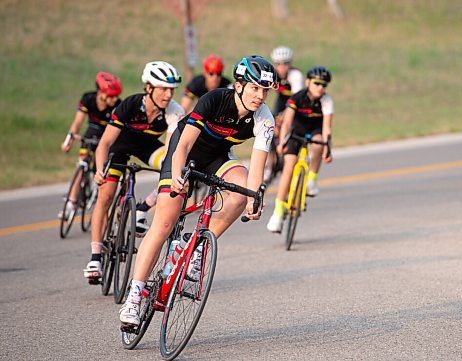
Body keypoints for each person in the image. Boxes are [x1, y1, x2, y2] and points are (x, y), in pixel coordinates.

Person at [119, 55, 278, 326]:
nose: (260, 96)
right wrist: (179, 175)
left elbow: (257, 167)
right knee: (165, 222)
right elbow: (182, 145)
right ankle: (135, 295)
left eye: (265, 90)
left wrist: (254, 198)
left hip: (216, 156)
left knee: (241, 193)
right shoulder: (214, 99)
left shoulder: (264, 119)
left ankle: (196, 248)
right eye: (254, 88)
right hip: (185, 151)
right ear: (239, 86)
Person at [83, 61, 185, 282]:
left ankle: (142, 207)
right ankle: (96, 256)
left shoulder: (174, 111)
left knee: (174, 170)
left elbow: (171, 152)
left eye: (171, 90)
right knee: (106, 195)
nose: (168, 95)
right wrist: (100, 170)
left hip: (147, 147)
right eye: (163, 89)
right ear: (148, 88)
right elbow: (105, 142)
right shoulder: (130, 105)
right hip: (119, 147)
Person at [266, 66, 334, 233]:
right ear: (308, 82)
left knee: (319, 144)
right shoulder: (297, 98)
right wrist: (282, 142)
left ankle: (311, 180)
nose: (320, 87)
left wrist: (328, 148)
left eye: (324, 85)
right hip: (296, 131)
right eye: (317, 83)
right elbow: (287, 122)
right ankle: (278, 211)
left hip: (315, 131)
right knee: (289, 165)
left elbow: (326, 129)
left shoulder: (326, 101)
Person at [59, 72, 122, 219]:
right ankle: (71, 203)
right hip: (92, 130)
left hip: (108, 133)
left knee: (101, 166)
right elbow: (77, 122)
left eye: (116, 96)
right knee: (82, 165)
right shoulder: (88, 98)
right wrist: (68, 141)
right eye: (111, 95)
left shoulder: (118, 105)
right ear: (101, 92)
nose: (114, 99)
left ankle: (96, 187)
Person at [264, 46, 304, 183]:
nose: (282, 67)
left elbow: (295, 101)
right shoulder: (272, 74)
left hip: (296, 104)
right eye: (279, 64)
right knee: (270, 129)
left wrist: (283, 117)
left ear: (290, 63)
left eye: (286, 63)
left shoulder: (295, 76)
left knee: (288, 126)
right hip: (282, 101)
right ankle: (270, 164)